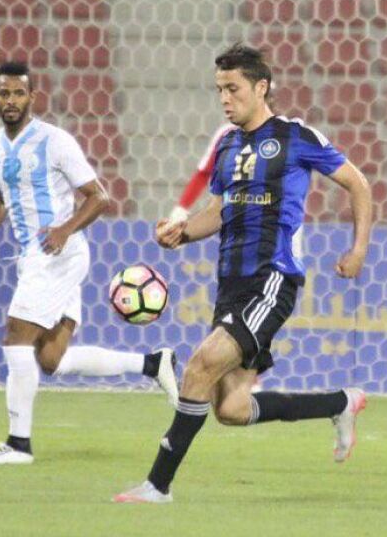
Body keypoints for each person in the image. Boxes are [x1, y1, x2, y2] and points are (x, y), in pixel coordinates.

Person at [113, 43, 373, 504]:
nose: (224, 99)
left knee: (199, 367)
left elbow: (358, 184)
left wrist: (358, 249)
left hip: (272, 278)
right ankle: (340, 402)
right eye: (219, 90)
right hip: (231, 284)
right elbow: (218, 210)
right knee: (231, 408)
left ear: (261, 87)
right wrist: (181, 233)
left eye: (233, 89)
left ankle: (157, 485)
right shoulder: (228, 145)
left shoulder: (295, 136)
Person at [0, 62, 179, 465]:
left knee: (15, 337)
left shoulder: (54, 141)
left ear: (33, 97)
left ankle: (18, 445)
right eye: (4, 93)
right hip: (32, 256)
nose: (11, 101)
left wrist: (64, 230)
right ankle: (154, 364)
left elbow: (99, 197)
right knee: (51, 360)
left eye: (19, 93)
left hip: (57, 254)